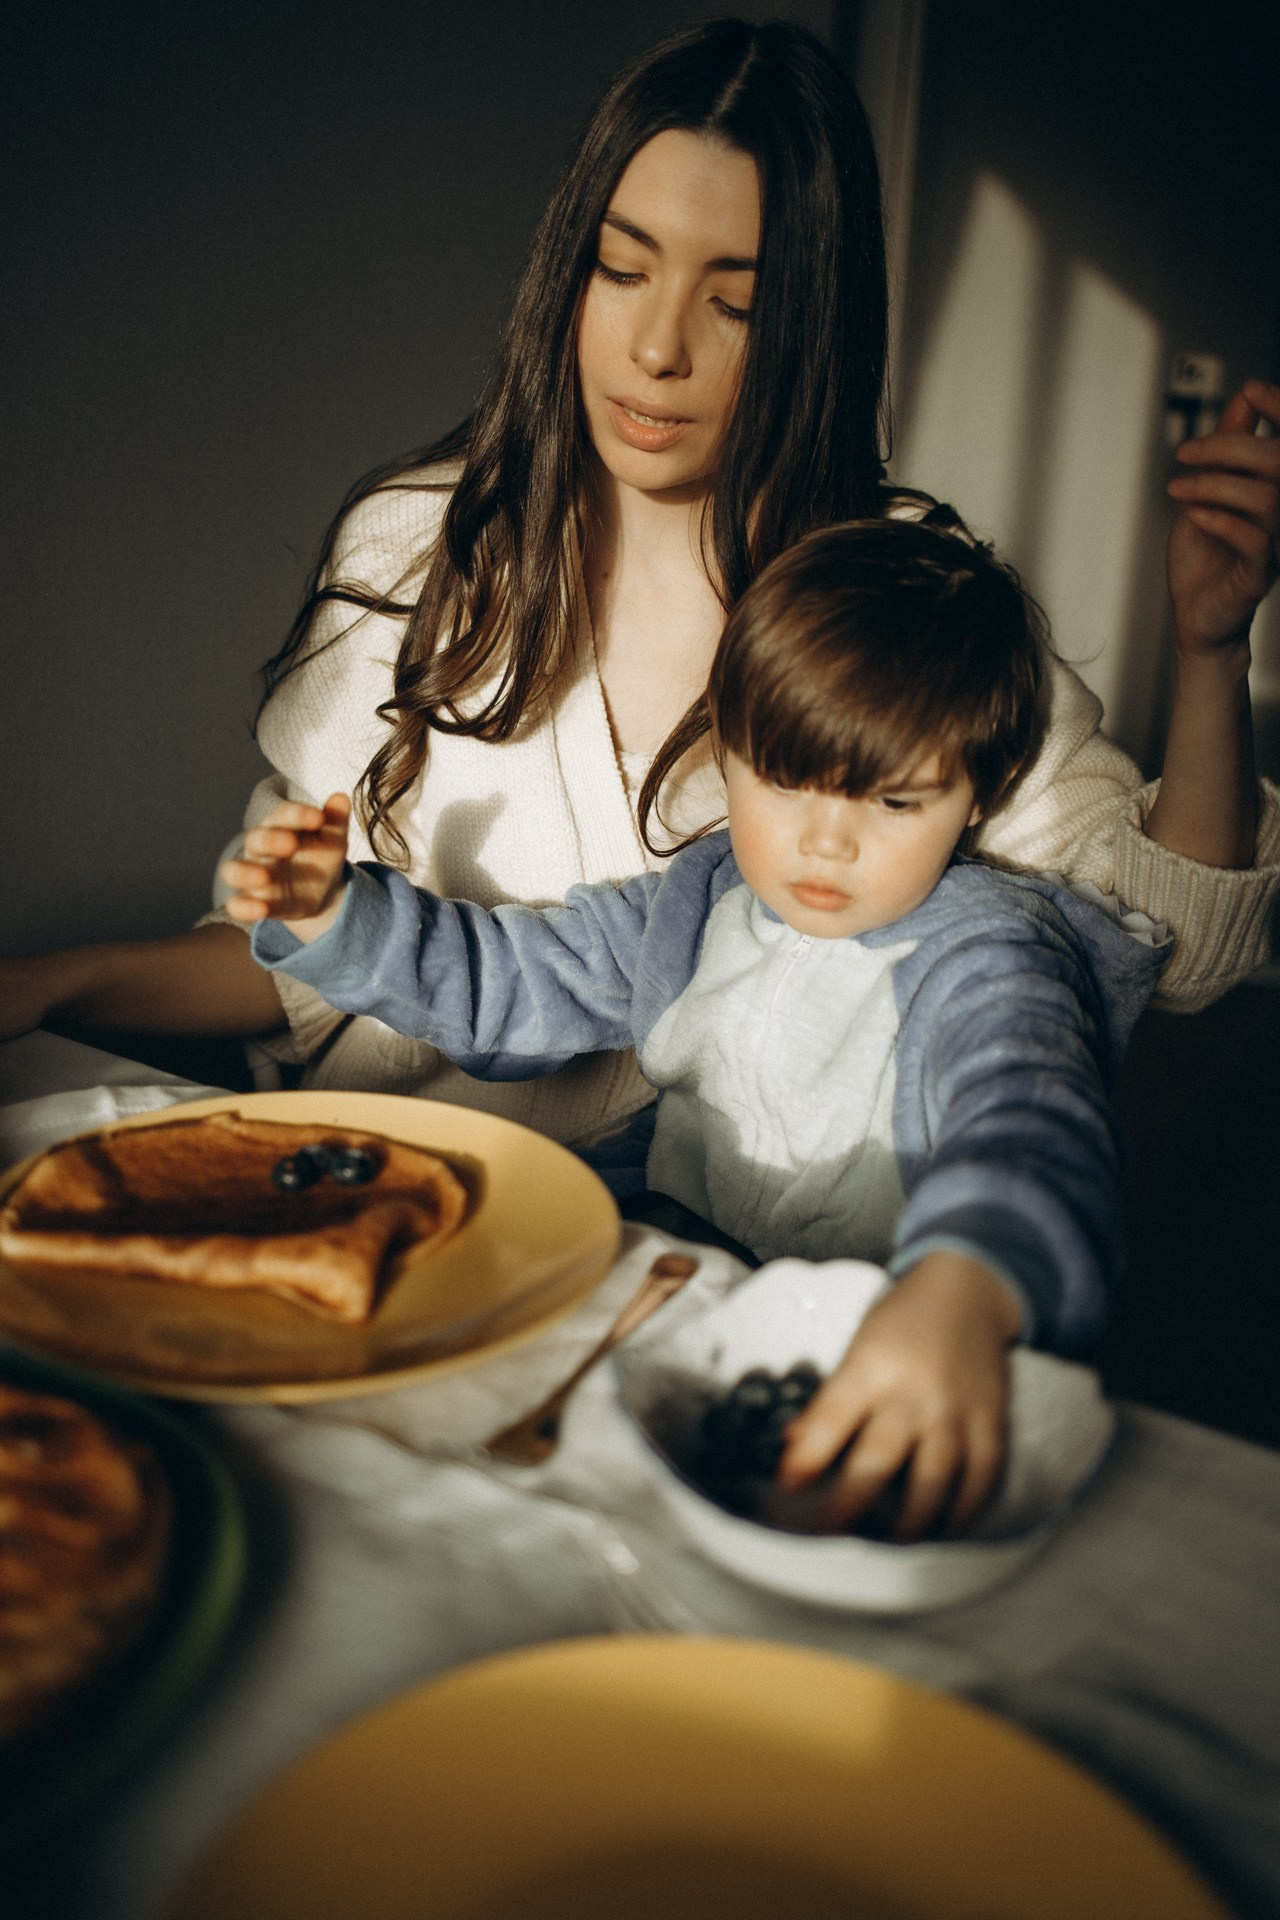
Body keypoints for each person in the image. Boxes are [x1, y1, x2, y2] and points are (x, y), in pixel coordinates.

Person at [3, 18, 1278, 1153]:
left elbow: (1167, 952)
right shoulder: (418, 547)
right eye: (623, 271)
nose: (656, 349)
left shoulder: (888, 601)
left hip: (703, 1271)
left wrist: (1208, 652)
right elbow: (298, 954)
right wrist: (52, 983)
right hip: (390, 1185)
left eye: (732, 304)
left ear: (809, 325)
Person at [219, 519, 1169, 1541]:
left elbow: (1029, 1125)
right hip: (672, 1297)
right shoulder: (696, 899)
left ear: (974, 793)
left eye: (893, 801)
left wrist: (968, 1290)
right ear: (730, 754)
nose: (823, 842)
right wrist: (335, 919)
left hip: (879, 1345)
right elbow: (511, 978)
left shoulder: (988, 954)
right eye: (783, 778)